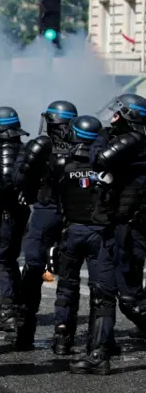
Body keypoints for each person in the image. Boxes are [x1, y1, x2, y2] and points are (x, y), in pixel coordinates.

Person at [47, 115, 116, 375]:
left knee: (67, 286)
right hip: (101, 233)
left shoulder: (62, 164)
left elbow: (53, 201)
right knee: (103, 295)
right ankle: (99, 350)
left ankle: (62, 339)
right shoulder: (110, 165)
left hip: (72, 231)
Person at [13, 100, 77, 350]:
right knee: (68, 277)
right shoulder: (84, 146)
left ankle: (25, 333)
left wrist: (27, 194)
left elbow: (19, 177)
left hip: (45, 210)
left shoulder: (41, 145)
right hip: (73, 215)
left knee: (33, 269)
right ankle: (63, 337)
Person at [89, 93, 146, 366]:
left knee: (130, 298)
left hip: (130, 228)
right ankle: (100, 352)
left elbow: (98, 159)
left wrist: (101, 134)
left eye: (119, 114)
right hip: (120, 225)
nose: (113, 118)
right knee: (105, 288)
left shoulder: (134, 138)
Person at [0, 107, 30, 333]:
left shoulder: (6, 151)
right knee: (8, 260)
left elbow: (5, 184)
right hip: (18, 214)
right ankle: (17, 308)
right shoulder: (23, 148)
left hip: (6, 215)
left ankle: (7, 312)